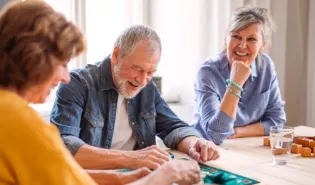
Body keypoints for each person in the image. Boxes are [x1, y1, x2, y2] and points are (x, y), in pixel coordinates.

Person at [0, 1, 202, 185]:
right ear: (33, 59)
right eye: (61, 63)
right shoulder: (18, 119)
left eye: (149, 72)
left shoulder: (8, 109)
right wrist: (164, 175)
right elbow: (66, 158)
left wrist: (121, 178)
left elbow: (61, 174)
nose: (65, 76)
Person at [50, 24, 220, 172]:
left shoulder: (147, 87)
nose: (142, 80)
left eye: (150, 72)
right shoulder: (76, 84)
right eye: (137, 69)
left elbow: (173, 127)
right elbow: (65, 147)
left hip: (139, 176)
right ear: (116, 54)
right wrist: (132, 159)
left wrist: (194, 144)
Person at [193, 7, 286, 145]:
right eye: (236, 36)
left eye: (252, 39)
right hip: (207, 149)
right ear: (226, 40)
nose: (242, 46)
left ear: (262, 46)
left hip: (245, 145)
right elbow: (216, 135)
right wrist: (235, 83)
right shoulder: (207, 72)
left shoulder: (266, 66)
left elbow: (277, 121)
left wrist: (237, 132)